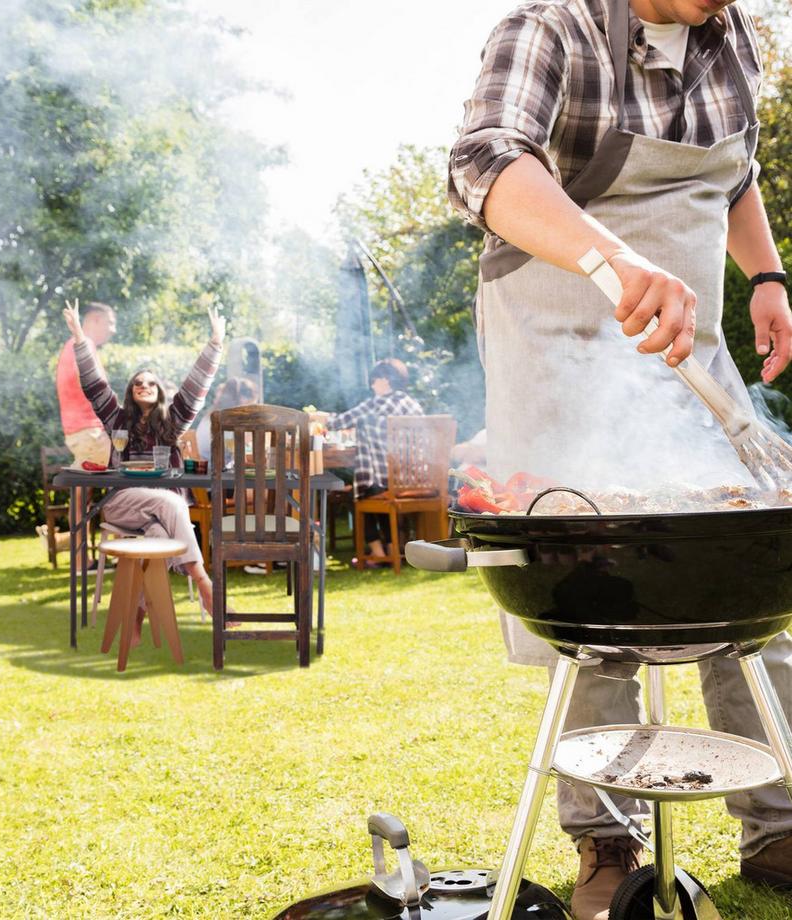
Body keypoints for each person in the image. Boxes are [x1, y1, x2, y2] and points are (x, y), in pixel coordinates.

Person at [449, 0, 792, 916]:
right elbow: (486, 161)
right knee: (596, 605)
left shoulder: (731, 39)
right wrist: (615, 261)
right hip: (561, 348)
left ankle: (780, 827)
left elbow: (736, 171)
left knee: (748, 567)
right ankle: (604, 840)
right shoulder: (549, 29)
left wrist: (765, 275)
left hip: (692, 351)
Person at [62, 301, 226, 625]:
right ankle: (204, 581)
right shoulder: (116, 419)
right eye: (138, 383)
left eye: (151, 383)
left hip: (161, 511)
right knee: (174, 503)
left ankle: (136, 612)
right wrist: (81, 339)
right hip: (123, 503)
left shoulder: (173, 423)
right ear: (130, 392)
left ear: (161, 393)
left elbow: (195, 388)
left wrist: (215, 344)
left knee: (160, 534)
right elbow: (94, 385)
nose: (144, 386)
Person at [322, 359, 422, 566]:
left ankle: (377, 552)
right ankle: (392, 548)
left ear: (385, 380)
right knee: (375, 489)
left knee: (360, 492)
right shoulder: (413, 404)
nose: (372, 385)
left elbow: (337, 422)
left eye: (373, 380)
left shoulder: (376, 403)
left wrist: (315, 417)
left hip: (388, 482)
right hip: (415, 480)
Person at [54, 299, 117, 571]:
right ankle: (125, 552)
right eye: (109, 322)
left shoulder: (72, 347)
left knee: (82, 496)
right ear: (93, 320)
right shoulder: (83, 346)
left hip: (79, 432)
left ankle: (82, 560)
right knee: (131, 480)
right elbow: (96, 389)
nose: (113, 330)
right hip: (90, 432)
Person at [195, 376, 258, 464]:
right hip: (221, 472)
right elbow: (238, 454)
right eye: (250, 405)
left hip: (206, 468)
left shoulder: (211, 415)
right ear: (243, 399)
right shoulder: (228, 420)